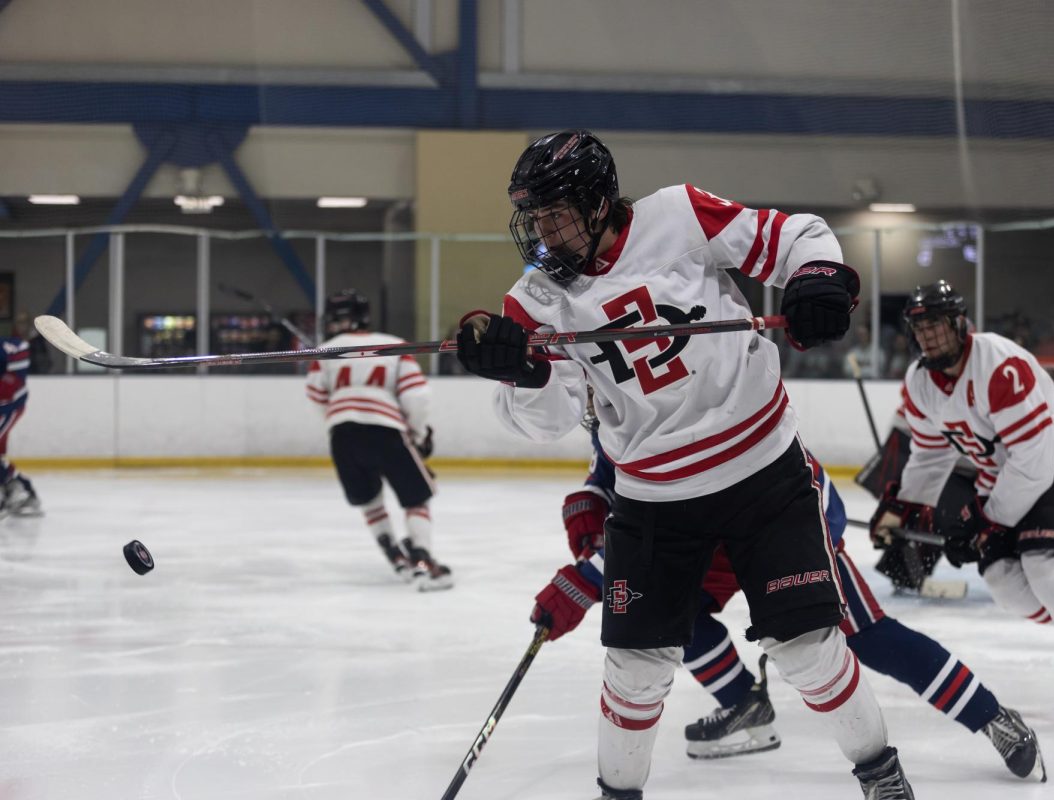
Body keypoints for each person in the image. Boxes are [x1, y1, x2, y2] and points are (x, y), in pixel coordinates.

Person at [456, 129, 914, 799]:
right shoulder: (535, 301)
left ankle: (880, 772)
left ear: (598, 201)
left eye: (555, 213)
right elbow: (549, 419)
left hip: (762, 472)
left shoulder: (678, 214)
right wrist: (521, 373)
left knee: (808, 648)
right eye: (535, 217)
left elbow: (796, 235)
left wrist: (817, 279)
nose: (543, 233)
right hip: (651, 498)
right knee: (633, 669)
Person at [536, 415, 1047, 780]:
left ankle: (991, 716)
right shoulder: (622, 400)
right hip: (708, 532)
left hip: (780, 515)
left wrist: (586, 579)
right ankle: (745, 705)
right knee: (665, 620)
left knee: (867, 637)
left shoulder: (698, 389)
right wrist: (591, 501)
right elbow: (623, 473)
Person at [870, 280, 1054, 732]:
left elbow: (1034, 465)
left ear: (959, 323)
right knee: (1003, 583)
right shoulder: (920, 383)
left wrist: (989, 520)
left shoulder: (1000, 366)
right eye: (919, 328)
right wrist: (902, 506)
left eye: (935, 324)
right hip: (1002, 473)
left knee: (1045, 569)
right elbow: (932, 454)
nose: (927, 336)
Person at [305, 290, 451, 591]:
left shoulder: (326, 350)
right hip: (386, 430)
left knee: (369, 499)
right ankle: (422, 561)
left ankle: (395, 556)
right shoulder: (394, 345)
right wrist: (418, 433)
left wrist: (339, 420)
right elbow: (417, 396)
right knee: (416, 498)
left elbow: (317, 396)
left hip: (341, 434)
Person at [0, 333, 41, 517]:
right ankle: (18, 489)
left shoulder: (10, 347)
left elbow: (12, 385)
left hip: (7, 407)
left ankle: (21, 490)